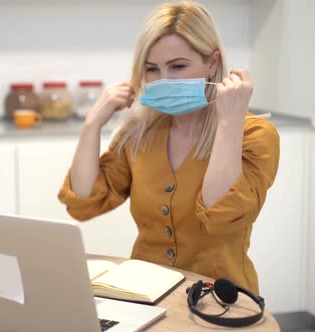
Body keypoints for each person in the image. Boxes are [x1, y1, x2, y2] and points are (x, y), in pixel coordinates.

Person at [58, 1, 279, 295]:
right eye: (152, 69)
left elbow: (221, 219)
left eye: (177, 66)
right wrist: (92, 124)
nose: (164, 80)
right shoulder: (138, 134)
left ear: (212, 62)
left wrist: (228, 123)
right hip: (143, 294)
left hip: (221, 300)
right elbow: (82, 204)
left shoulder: (253, 134)